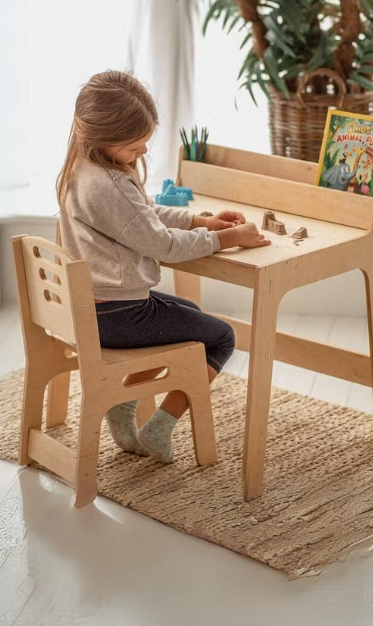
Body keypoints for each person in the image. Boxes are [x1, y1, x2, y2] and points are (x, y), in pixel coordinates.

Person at [56, 70, 270, 463]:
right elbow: (163, 245)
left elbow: (143, 215)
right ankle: (160, 427)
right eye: (135, 147)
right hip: (119, 314)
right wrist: (227, 239)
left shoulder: (81, 171)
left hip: (95, 308)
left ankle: (122, 409)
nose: (142, 154)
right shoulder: (111, 184)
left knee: (190, 314)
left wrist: (201, 222)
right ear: (102, 137)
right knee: (220, 337)